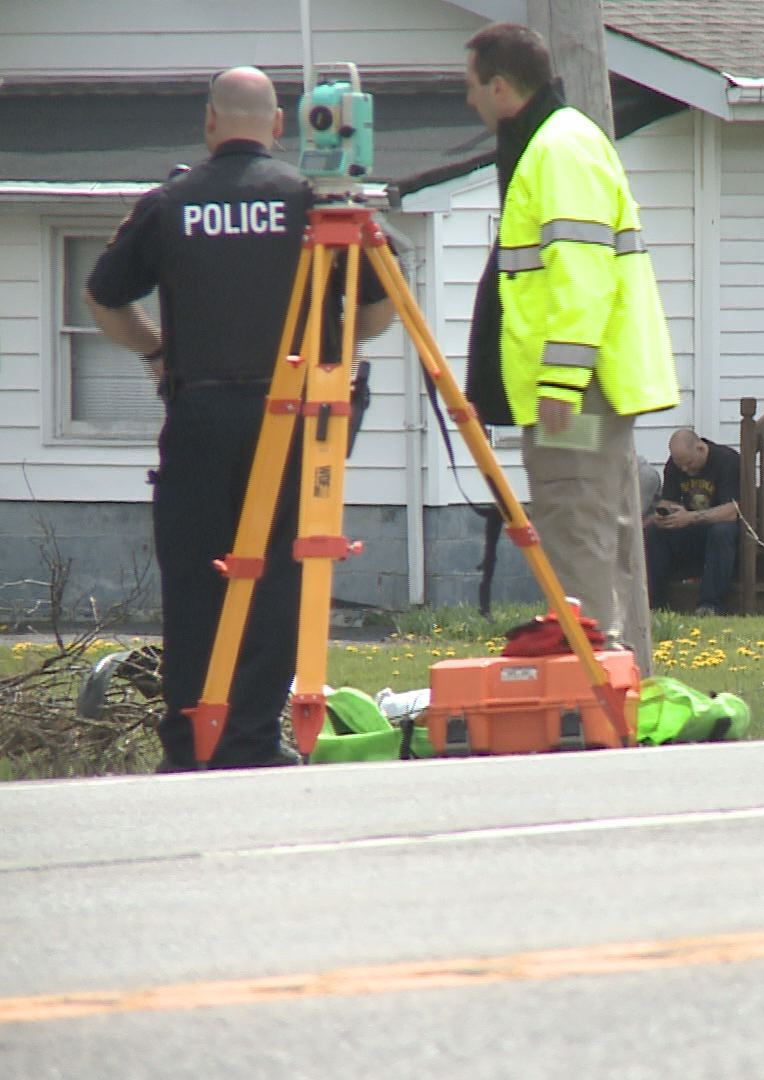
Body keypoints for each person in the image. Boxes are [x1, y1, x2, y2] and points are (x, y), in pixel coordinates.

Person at [85, 66, 395, 771]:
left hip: (199, 414)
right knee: (279, 577)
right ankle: (252, 740)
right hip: (295, 415)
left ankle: (189, 743)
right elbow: (379, 305)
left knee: (196, 581)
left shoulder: (170, 203)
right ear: (281, 125)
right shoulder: (313, 201)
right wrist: (333, 347)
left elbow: (103, 299)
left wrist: (157, 349)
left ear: (209, 122)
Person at [461, 22, 680, 648]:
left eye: (470, 85)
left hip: (575, 396)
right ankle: (614, 674)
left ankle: (593, 677)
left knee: (575, 521)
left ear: (500, 86)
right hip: (585, 389)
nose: (467, 99)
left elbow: (583, 276)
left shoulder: (557, 148)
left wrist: (559, 380)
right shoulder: (556, 142)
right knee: (599, 526)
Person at [647, 429, 742, 616]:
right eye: (680, 465)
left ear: (700, 448)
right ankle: (654, 603)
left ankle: (710, 605)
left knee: (722, 531)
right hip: (691, 528)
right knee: (654, 532)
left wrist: (690, 517)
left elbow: (733, 511)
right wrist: (664, 514)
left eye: (689, 463)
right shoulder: (675, 465)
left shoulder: (727, 461)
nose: (685, 470)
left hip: (723, 527)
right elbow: (669, 500)